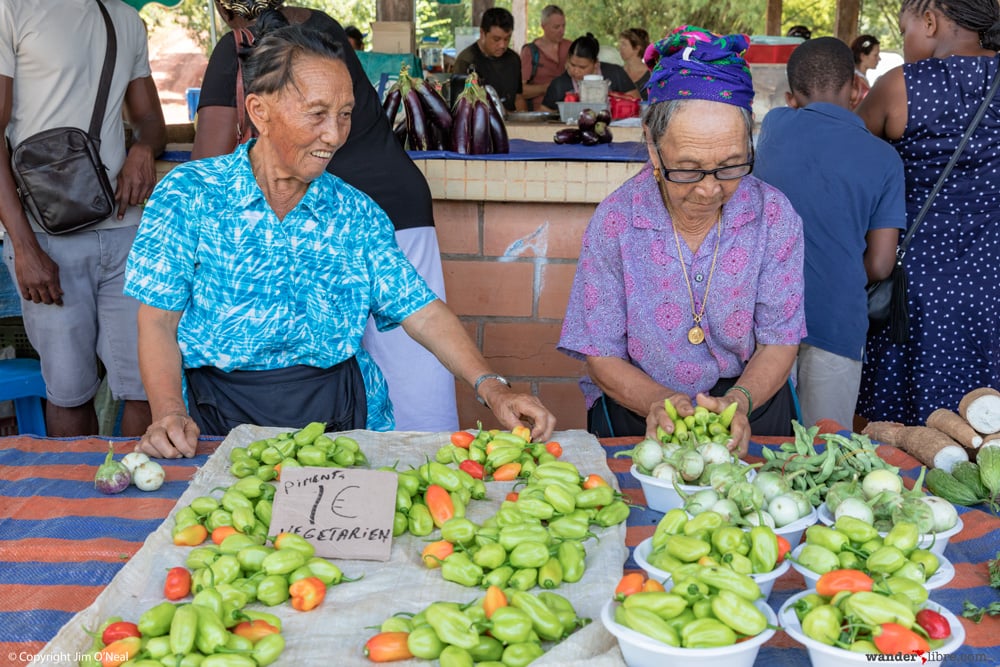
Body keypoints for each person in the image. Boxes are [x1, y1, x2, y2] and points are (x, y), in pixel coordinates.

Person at [126, 24, 556, 459]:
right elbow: (158, 321)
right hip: (217, 418)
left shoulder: (356, 213)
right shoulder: (190, 195)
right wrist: (167, 412)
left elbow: (421, 312)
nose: (334, 134)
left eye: (345, 114)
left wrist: (494, 388)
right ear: (259, 111)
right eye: (317, 114)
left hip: (339, 422)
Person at [194, 0, 459, 433]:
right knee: (413, 371)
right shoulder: (317, 27)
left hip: (351, 215)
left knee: (401, 344)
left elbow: (209, 160)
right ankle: (427, 475)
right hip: (395, 204)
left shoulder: (241, 47)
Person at [558, 25, 806, 456]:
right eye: (688, 169)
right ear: (654, 151)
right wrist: (658, 401)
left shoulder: (774, 216)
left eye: (730, 166)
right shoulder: (616, 221)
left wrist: (738, 403)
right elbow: (600, 353)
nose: (710, 189)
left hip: (750, 405)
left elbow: (780, 338)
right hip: (638, 410)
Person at [0, 0, 166, 437]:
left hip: (125, 227)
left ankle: (135, 497)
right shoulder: (12, 11)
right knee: (69, 392)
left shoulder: (126, 20)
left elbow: (150, 118)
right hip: (45, 235)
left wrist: (143, 148)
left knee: (147, 386)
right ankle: (78, 500)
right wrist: (23, 246)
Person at [855, 0, 1000, 424]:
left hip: (913, 287)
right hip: (991, 280)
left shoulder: (901, 85)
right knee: (985, 421)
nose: (906, 40)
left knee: (901, 422)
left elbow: (850, 150)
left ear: (932, 22)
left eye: (906, 30)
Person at [754, 37, 906, 429]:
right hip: (839, 321)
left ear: (790, 98)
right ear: (857, 89)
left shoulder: (775, 124)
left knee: (760, 447)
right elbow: (881, 263)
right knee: (826, 453)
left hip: (766, 319)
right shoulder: (885, 159)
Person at [539, 34, 639, 112]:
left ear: (596, 63)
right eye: (572, 64)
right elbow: (544, 113)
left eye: (582, 67)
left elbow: (636, 101)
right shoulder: (559, 85)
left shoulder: (615, 73)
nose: (575, 71)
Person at [453, 8, 526, 111]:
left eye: (507, 39)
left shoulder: (513, 59)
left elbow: (518, 98)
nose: (502, 45)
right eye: (496, 39)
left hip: (511, 123)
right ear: (482, 33)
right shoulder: (466, 61)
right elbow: (461, 107)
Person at [520, 5, 571, 110]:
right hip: (541, 113)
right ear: (543, 26)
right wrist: (546, 88)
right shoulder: (530, 52)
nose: (561, 31)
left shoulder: (571, 47)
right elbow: (520, 91)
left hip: (568, 110)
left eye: (563, 26)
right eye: (556, 27)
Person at [619, 27, 651, 98]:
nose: (620, 48)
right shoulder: (618, 72)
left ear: (637, 48)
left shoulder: (651, 75)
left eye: (624, 45)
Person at [850, 34, 881, 108]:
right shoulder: (857, 82)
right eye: (875, 55)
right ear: (863, 56)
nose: (879, 58)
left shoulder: (857, 78)